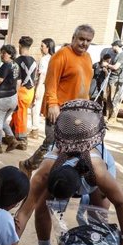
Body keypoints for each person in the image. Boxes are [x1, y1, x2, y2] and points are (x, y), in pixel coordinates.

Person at [15, 99, 123, 245]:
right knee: (42, 207)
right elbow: (25, 211)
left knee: (99, 214)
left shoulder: (98, 171)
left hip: (92, 173)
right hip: (65, 169)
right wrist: (9, 242)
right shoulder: (46, 170)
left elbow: (121, 203)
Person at [19, 24, 95, 178]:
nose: (84, 43)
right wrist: (53, 104)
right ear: (73, 38)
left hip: (78, 112)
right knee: (52, 143)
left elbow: (85, 85)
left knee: (71, 147)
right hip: (59, 110)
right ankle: (29, 165)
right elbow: (51, 82)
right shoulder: (61, 55)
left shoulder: (87, 57)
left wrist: (87, 107)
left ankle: (55, 174)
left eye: (88, 40)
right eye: (81, 39)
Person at [13, 36, 37, 149]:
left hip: (21, 90)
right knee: (17, 113)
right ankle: (12, 134)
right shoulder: (34, 61)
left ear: (20, 46)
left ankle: (22, 139)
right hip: (30, 90)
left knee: (20, 115)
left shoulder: (17, 61)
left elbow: (16, 79)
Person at [30, 38, 55, 139]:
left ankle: (35, 130)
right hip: (52, 86)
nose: (41, 48)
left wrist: (38, 88)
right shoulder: (54, 58)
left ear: (48, 47)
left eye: (42, 46)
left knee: (35, 106)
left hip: (43, 85)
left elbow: (42, 75)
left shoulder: (45, 59)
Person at [104, 40, 123, 123]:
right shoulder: (116, 55)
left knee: (114, 99)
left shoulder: (122, 55)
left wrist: (107, 65)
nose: (112, 48)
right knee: (108, 98)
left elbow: (116, 67)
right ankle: (107, 116)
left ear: (116, 46)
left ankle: (113, 117)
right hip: (111, 79)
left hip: (116, 80)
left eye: (112, 46)